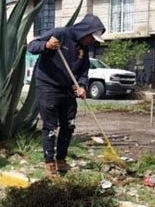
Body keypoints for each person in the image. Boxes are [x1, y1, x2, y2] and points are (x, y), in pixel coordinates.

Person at [27, 14, 106, 176]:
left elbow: (84, 71)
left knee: (68, 124)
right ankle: (49, 164)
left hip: (68, 88)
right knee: (50, 126)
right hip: (48, 86)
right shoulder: (61, 34)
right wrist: (46, 45)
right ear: (86, 32)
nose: (93, 42)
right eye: (92, 38)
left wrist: (82, 86)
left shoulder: (84, 48)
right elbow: (32, 46)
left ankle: (61, 160)